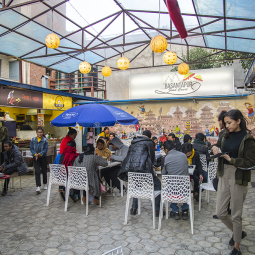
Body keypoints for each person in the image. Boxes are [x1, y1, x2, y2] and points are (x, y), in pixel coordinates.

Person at [212, 109, 255, 255]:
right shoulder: (224, 134)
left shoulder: (247, 138)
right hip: (224, 174)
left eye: (229, 123)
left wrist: (233, 160)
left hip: (239, 176)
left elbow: (251, 162)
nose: (227, 126)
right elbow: (216, 145)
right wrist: (215, 148)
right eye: (225, 123)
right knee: (221, 212)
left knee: (236, 214)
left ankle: (237, 247)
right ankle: (238, 232)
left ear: (238, 121)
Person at [119, 130, 161, 216]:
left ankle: (134, 208)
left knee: (137, 186)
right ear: (149, 136)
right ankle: (157, 210)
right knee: (157, 184)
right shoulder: (149, 143)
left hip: (132, 170)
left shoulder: (133, 142)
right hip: (144, 170)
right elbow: (152, 158)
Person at [161, 140, 189, 220]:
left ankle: (175, 210)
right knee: (182, 185)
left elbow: (163, 174)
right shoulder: (184, 155)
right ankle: (185, 210)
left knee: (171, 184)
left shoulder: (165, 158)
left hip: (172, 189)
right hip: (184, 187)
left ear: (166, 150)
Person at [30, 127, 48, 194]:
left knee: (44, 171)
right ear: (36, 133)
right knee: (37, 171)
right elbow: (31, 148)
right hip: (36, 158)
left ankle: (45, 183)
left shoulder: (45, 140)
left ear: (42, 133)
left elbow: (46, 149)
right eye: (38, 132)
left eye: (40, 132)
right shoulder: (33, 139)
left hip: (43, 157)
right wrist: (35, 154)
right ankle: (38, 186)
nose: (39, 133)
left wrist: (39, 154)